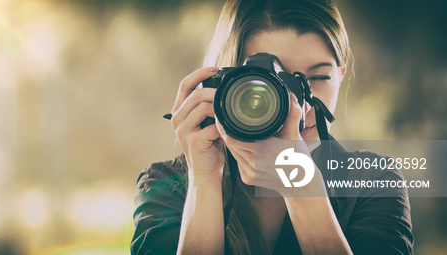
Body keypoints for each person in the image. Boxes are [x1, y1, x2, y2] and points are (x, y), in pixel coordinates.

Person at [131, 0, 414, 254]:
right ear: (225, 83)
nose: (297, 108)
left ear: (340, 74)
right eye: (271, 83)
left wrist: (300, 186)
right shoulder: (167, 185)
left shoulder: (372, 182)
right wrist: (204, 179)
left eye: (317, 78)